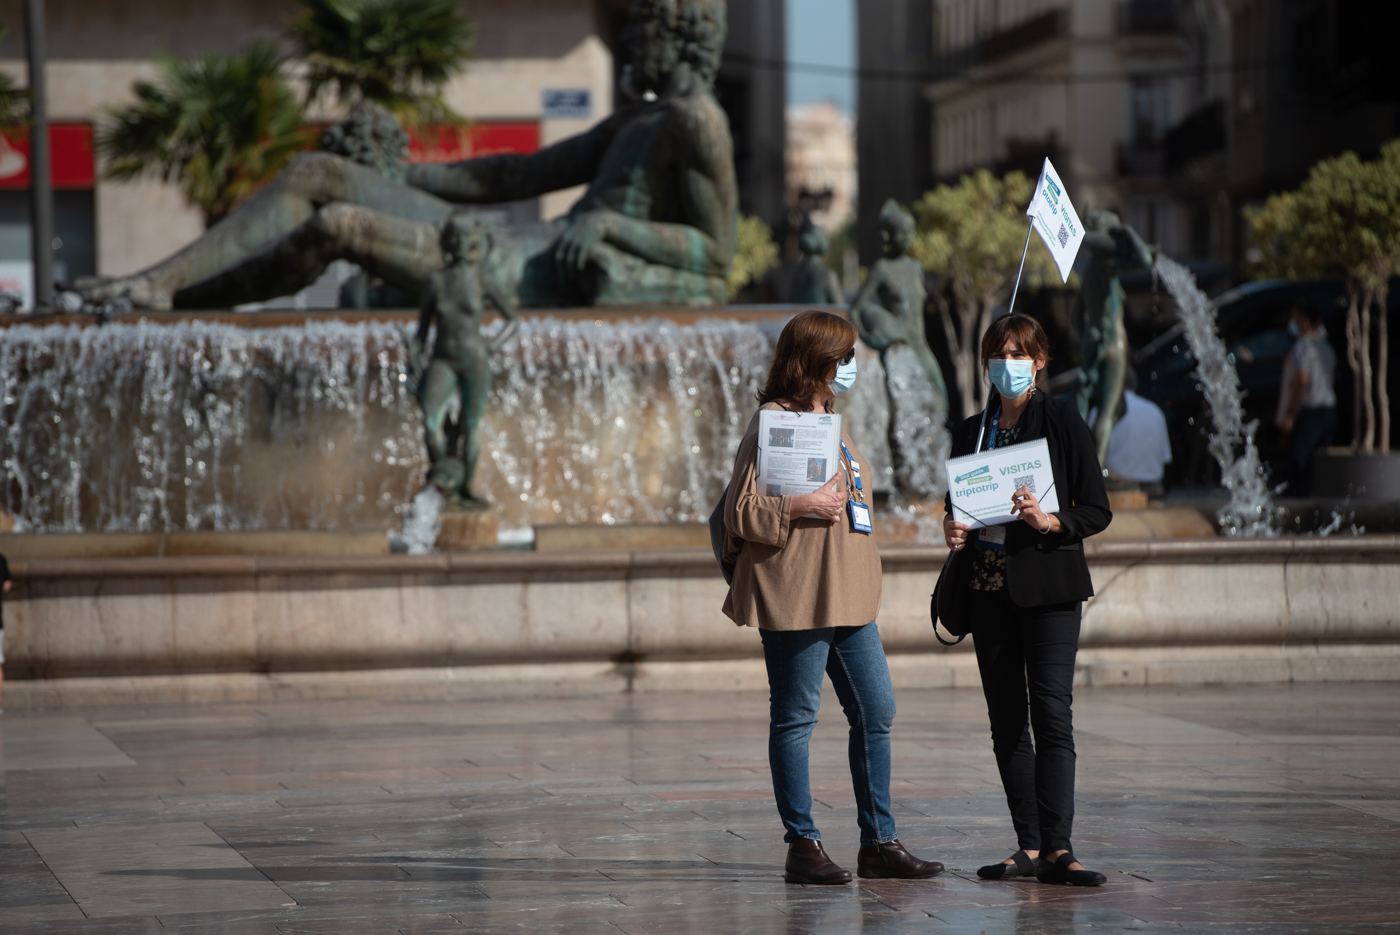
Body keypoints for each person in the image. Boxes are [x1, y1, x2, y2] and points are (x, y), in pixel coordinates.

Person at [722, 310, 945, 885]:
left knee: (876, 710)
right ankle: (803, 844)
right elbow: (738, 512)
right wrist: (799, 505)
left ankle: (880, 842)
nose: (850, 366)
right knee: (796, 717)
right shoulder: (772, 421)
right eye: (842, 358)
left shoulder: (830, 419)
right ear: (813, 360)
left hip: (848, 592)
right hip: (796, 592)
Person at [941, 314, 1112, 886]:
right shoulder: (973, 429)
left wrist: (1050, 520)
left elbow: (1097, 509)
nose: (1007, 364)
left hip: (1049, 589)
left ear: (1039, 361)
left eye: (1018, 354)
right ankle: (1030, 845)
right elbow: (957, 502)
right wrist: (952, 525)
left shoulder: (1061, 419)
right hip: (986, 590)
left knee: (1052, 714)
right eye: (998, 354)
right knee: (1007, 721)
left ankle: (1060, 847)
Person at [1276, 298, 1336, 496]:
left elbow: (1301, 380)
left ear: (1305, 320)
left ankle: (1299, 499)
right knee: (1318, 458)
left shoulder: (1303, 347)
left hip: (1311, 410)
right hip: (1329, 409)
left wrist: (1290, 413)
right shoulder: (1326, 347)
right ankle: (1317, 498)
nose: (1293, 323)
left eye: (1297, 319)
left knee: (1299, 457)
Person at [1104, 368, 1173, 498]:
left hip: (1115, 490)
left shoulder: (1104, 412)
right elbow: (1166, 460)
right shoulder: (1155, 411)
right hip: (1152, 490)